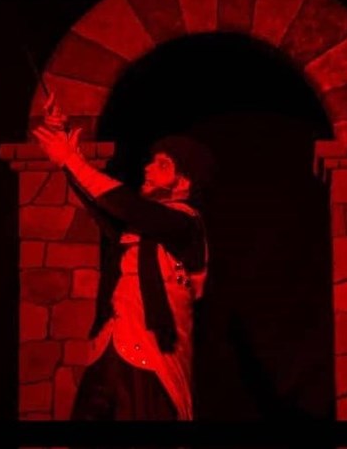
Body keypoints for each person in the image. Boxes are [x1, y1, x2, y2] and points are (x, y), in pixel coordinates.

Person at [33, 94, 215, 421]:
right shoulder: (139, 222)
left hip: (153, 360)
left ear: (184, 182)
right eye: (152, 161)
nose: (147, 168)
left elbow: (127, 206)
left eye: (162, 165)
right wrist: (68, 145)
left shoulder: (185, 224)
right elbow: (103, 203)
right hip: (109, 349)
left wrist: (71, 160)